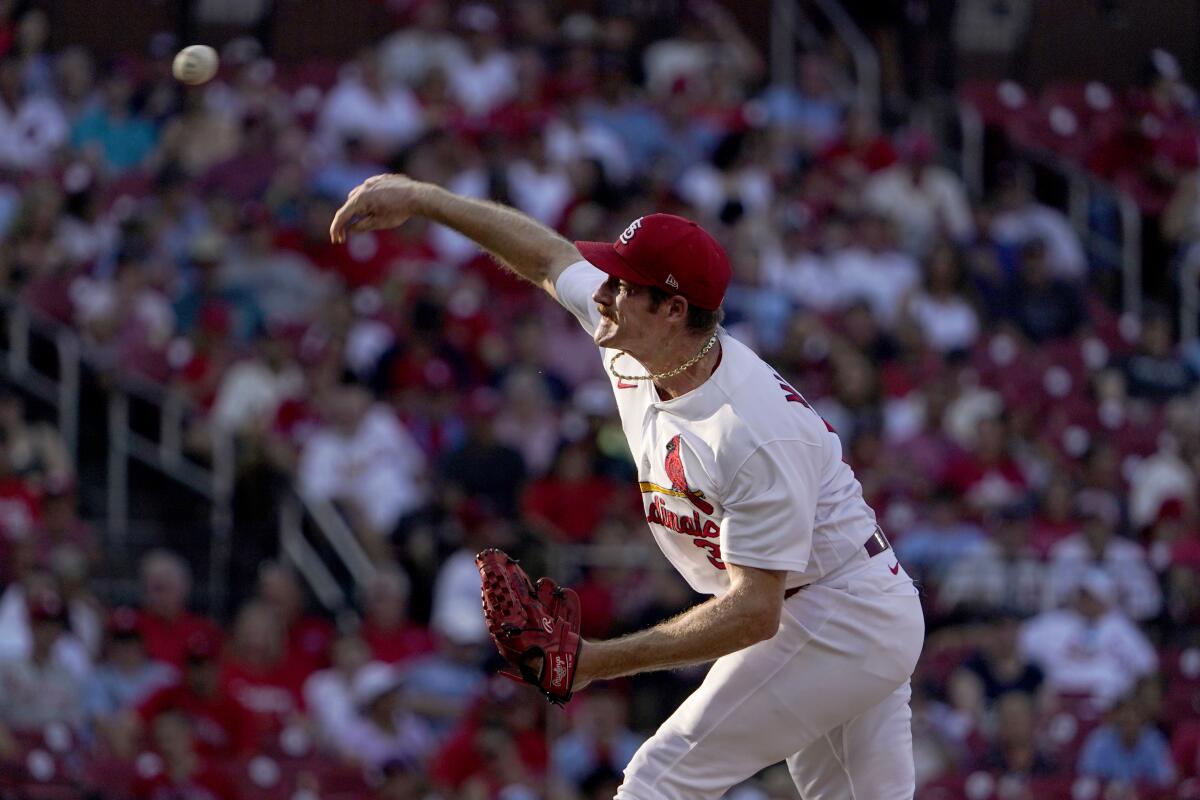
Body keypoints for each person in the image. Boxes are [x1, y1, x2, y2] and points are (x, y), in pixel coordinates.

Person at [330, 174, 925, 799]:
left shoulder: (750, 431)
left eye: (623, 284)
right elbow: (547, 256)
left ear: (673, 310)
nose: (606, 292)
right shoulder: (638, 339)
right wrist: (426, 199)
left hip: (836, 610)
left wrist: (597, 661)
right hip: (837, 604)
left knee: (659, 781)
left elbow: (754, 613)